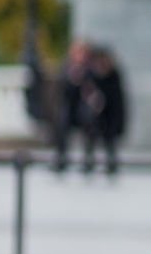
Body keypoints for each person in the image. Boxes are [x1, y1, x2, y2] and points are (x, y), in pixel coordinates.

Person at [81, 45, 127, 175]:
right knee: (90, 139)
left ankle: (111, 164)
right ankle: (89, 163)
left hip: (110, 116)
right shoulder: (91, 74)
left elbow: (118, 100)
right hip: (94, 116)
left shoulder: (114, 75)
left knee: (109, 142)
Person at [51, 40, 92, 173]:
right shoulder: (66, 68)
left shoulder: (90, 69)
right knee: (61, 123)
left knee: (90, 122)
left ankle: (88, 160)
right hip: (69, 108)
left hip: (83, 108)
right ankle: (61, 159)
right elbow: (60, 91)